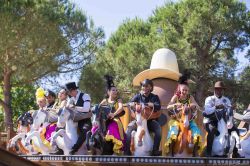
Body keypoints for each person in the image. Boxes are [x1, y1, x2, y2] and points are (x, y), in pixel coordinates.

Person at [165, 73, 201, 155]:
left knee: (196, 131)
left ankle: (195, 151)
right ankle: (170, 150)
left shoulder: (190, 97)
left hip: (189, 119)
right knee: (173, 131)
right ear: (180, 89)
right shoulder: (175, 97)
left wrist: (193, 105)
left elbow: (197, 106)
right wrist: (175, 104)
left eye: (186, 90)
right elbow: (168, 107)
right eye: (183, 90)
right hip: (177, 120)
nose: (184, 92)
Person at [203, 81, 241, 157]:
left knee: (235, 130)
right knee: (212, 130)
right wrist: (216, 107)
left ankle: (235, 152)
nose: (219, 91)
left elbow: (229, 112)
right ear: (214, 89)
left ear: (223, 90)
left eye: (221, 89)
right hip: (211, 119)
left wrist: (232, 109)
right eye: (217, 89)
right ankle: (208, 152)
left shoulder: (226, 100)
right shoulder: (209, 99)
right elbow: (207, 111)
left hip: (224, 119)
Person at [125, 79, 162, 156]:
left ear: (151, 87)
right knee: (128, 130)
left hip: (149, 121)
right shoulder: (138, 96)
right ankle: (127, 151)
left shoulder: (154, 97)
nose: (144, 88)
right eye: (143, 86)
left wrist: (152, 105)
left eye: (146, 86)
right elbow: (129, 103)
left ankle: (155, 150)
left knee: (158, 129)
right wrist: (131, 104)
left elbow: (158, 106)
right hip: (138, 121)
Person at [99, 75, 126, 155]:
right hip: (105, 120)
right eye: (113, 90)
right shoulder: (104, 101)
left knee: (111, 129)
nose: (115, 91)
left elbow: (121, 108)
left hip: (115, 121)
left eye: (116, 90)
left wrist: (113, 114)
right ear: (108, 92)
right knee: (95, 128)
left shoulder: (119, 100)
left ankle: (115, 149)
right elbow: (99, 109)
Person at [65, 82, 92, 155]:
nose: (69, 94)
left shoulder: (85, 96)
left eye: (69, 92)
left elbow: (86, 109)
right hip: (74, 121)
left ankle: (74, 149)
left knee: (85, 131)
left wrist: (74, 107)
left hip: (85, 121)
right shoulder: (71, 98)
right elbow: (67, 108)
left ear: (73, 90)